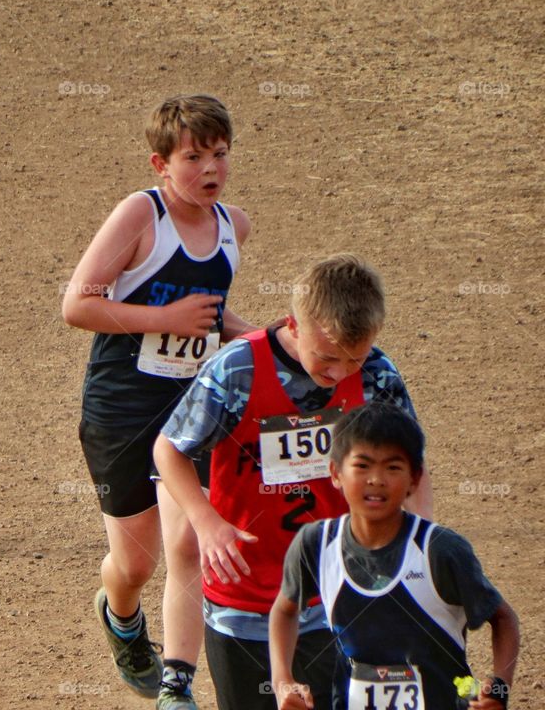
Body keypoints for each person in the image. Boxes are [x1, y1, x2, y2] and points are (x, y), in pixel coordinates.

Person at [154, 254, 433, 710]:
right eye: (326, 357)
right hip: (242, 600)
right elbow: (168, 449)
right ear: (294, 325)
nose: (340, 373)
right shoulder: (236, 370)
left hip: (338, 594)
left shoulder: (378, 376)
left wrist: (417, 546)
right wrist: (205, 522)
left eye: (353, 358)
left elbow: (413, 467)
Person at [62, 94, 256, 708]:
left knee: (188, 544)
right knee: (134, 565)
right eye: (193, 156)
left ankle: (178, 686)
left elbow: (211, 318)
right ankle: (121, 618)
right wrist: (163, 316)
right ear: (160, 164)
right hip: (122, 403)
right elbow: (78, 304)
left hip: (195, 407)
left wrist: (264, 340)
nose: (210, 169)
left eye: (219, 155)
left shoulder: (234, 227)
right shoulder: (140, 217)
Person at [269, 402, 519, 710]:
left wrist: (500, 688)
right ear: (335, 473)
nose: (376, 479)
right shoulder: (316, 545)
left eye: (393, 467)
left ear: (414, 480)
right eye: (362, 465)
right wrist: (282, 680)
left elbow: (503, 617)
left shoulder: (440, 551)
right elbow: (284, 609)